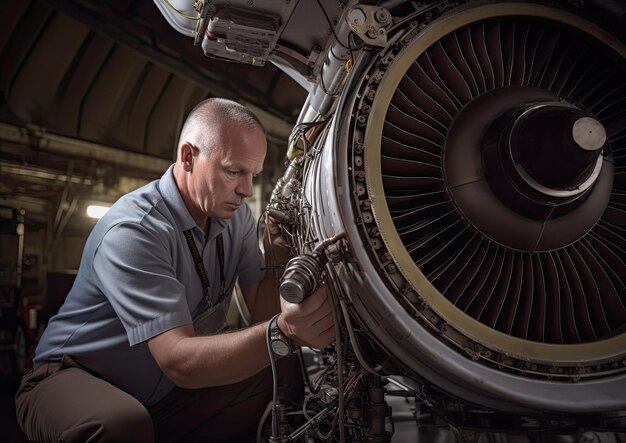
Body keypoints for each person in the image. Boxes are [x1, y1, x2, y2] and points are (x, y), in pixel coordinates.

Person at [15, 98, 335, 442]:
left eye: (252, 175)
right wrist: (285, 331)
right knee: (121, 425)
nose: (245, 190)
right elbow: (179, 360)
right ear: (188, 157)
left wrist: (278, 257)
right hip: (72, 376)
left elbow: (263, 314)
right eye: (233, 171)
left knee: (279, 372)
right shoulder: (135, 230)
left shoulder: (236, 218)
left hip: (160, 392)